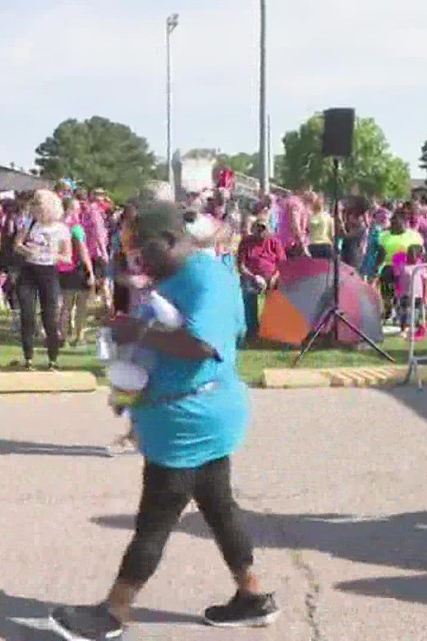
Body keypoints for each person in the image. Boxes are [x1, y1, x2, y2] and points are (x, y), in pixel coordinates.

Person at [48, 202, 279, 640]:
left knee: (155, 517)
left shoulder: (206, 278)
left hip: (191, 418)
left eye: (145, 251)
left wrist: (139, 334)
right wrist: (129, 381)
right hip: (185, 413)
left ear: (173, 240)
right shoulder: (173, 277)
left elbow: (200, 344)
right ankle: (252, 596)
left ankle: (115, 611)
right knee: (218, 505)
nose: (140, 261)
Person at [14, 190, 71, 370]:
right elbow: (17, 245)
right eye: (35, 207)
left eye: (39, 207)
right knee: (27, 314)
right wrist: (28, 251)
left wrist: (53, 254)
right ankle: (28, 357)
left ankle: (52, 358)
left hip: (49, 271)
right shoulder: (30, 223)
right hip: (29, 271)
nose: (36, 211)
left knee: (50, 317)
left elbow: (68, 256)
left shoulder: (61, 229)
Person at [237, 219, 286, 341]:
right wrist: (254, 277)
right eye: (258, 228)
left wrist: (274, 277)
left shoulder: (275, 242)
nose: (260, 231)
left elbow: (283, 265)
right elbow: (241, 266)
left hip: (272, 276)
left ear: (269, 229)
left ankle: (274, 329)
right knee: (248, 291)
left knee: (281, 291)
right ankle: (252, 330)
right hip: (252, 276)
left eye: (263, 228)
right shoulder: (246, 242)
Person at [58, 209, 96, 348]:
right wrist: (90, 271)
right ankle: (79, 336)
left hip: (63, 269)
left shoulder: (59, 228)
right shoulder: (76, 228)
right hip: (78, 270)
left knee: (66, 307)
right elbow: (83, 250)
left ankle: (63, 336)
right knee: (81, 306)